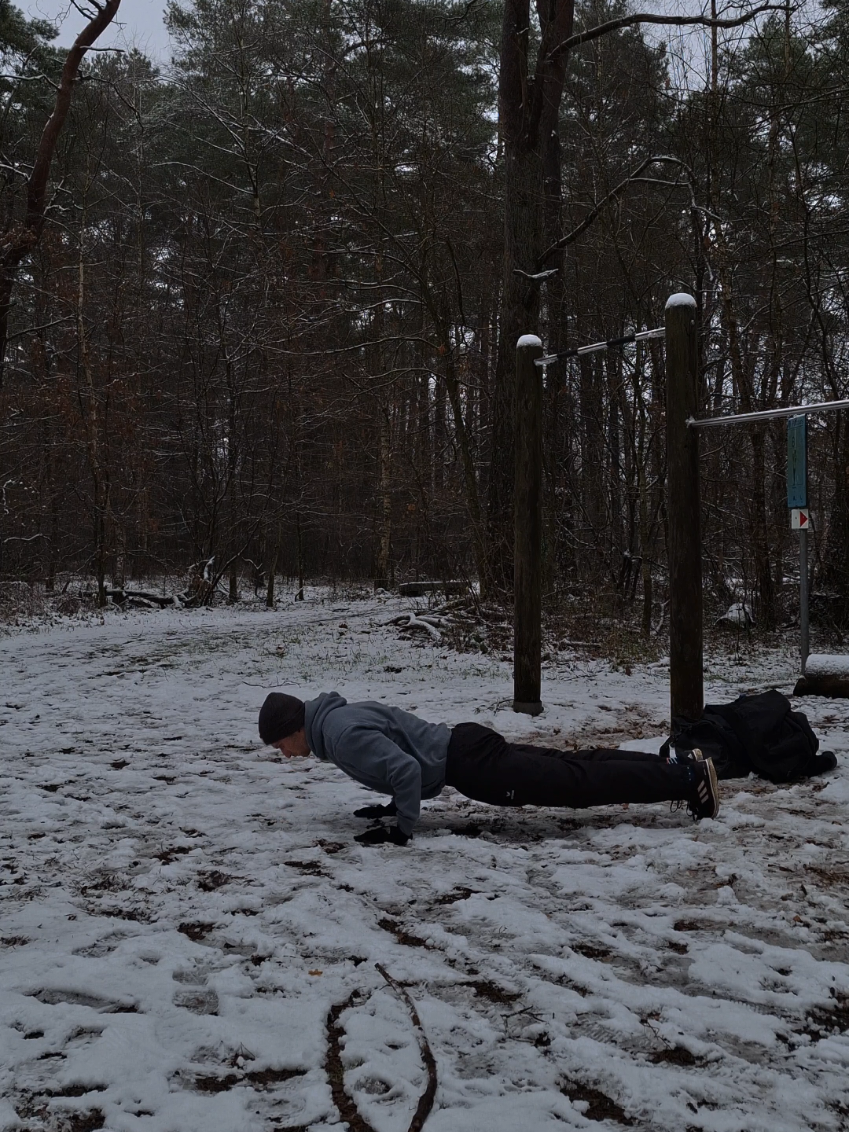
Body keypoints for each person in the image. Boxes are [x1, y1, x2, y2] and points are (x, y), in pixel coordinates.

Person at [257, 691, 720, 846]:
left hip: (471, 764)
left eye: (280, 744)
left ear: (294, 728)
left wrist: (401, 827)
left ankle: (686, 779)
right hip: (465, 742)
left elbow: (404, 769)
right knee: (571, 764)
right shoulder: (337, 720)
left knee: (576, 783)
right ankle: (678, 765)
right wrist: (390, 804)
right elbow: (399, 749)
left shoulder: (339, 736)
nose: (284, 754)